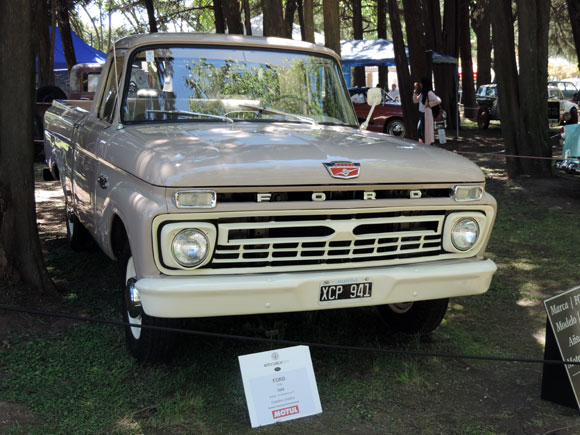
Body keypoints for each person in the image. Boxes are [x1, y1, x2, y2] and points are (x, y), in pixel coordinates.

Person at [412, 77, 441, 145]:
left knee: (425, 131)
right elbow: (415, 100)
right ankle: (425, 144)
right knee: (420, 131)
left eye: (421, 84)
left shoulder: (429, 93)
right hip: (422, 114)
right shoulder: (422, 93)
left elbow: (438, 100)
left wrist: (430, 105)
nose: (420, 85)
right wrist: (415, 90)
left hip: (426, 114)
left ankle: (428, 145)